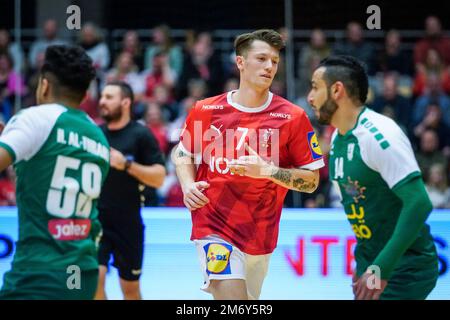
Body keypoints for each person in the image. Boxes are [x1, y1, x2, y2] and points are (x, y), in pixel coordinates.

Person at [172, 29, 324, 300]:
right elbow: (183, 153)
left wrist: (268, 171)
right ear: (241, 62)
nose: (269, 66)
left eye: (275, 61)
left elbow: (311, 181)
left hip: (260, 234)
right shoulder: (207, 110)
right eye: (262, 58)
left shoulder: (292, 117)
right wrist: (187, 184)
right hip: (213, 225)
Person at [307, 55, 439, 300]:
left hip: (406, 268)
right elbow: (365, 210)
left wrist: (381, 267)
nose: (310, 97)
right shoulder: (338, 139)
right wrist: (363, 264)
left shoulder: (380, 134)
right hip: (372, 264)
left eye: (315, 87)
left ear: (337, 90)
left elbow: (419, 204)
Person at [0, 45, 110, 299]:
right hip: (84, 273)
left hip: (38, 274)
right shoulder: (98, 137)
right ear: (84, 95)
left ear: (45, 85)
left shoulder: (35, 118)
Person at [94, 81, 166, 300]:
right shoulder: (95, 134)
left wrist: (126, 165)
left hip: (129, 224)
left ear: (125, 102)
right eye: (102, 96)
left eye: (109, 97)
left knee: (130, 290)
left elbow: (159, 177)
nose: (102, 101)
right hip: (97, 221)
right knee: (94, 279)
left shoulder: (141, 135)